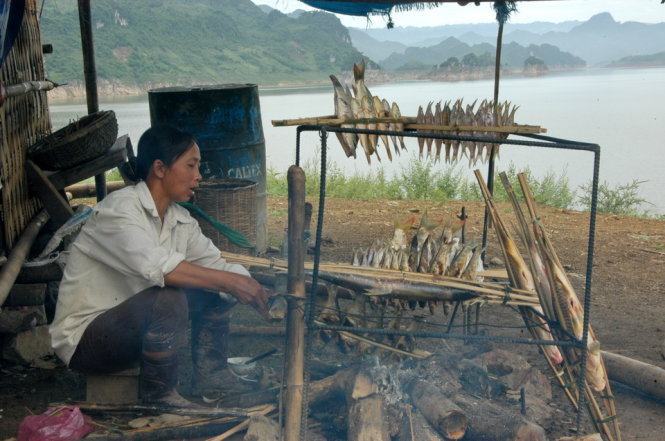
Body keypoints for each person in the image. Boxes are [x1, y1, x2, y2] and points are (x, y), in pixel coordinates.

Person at [49, 125, 270, 406]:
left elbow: (215, 265)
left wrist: (246, 284)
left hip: (134, 332)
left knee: (218, 286)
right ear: (160, 168)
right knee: (169, 297)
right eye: (191, 165)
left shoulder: (180, 220)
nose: (198, 176)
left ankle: (213, 374)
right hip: (87, 342)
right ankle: (160, 396)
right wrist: (230, 281)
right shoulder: (120, 210)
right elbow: (160, 269)